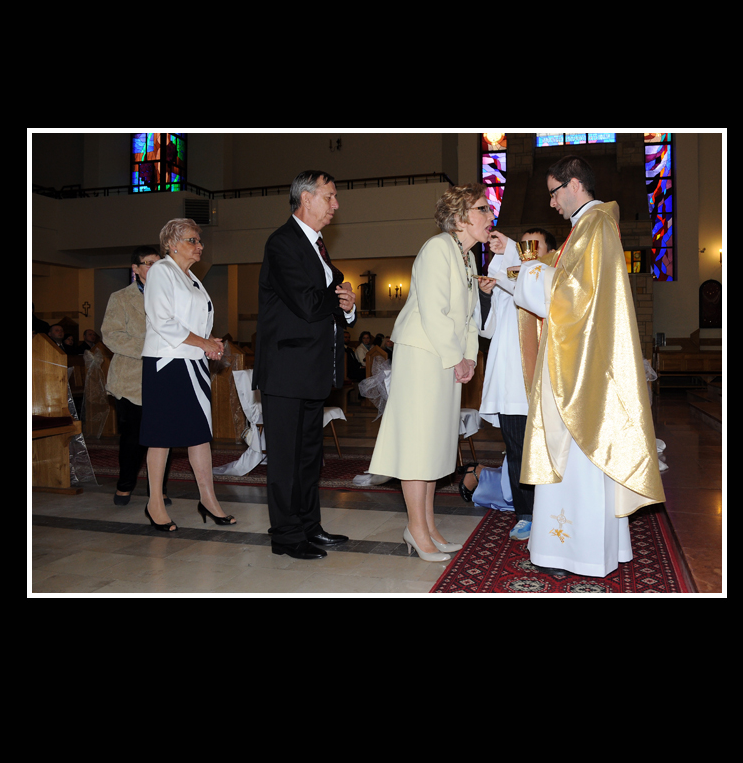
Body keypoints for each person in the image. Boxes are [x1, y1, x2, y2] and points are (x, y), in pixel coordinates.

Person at [513, 156, 665, 577]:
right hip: (581, 362)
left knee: (576, 459)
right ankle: (589, 550)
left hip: (580, 373)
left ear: (575, 184)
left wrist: (530, 273)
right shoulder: (588, 227)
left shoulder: (594, 225)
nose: (552, 203)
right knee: (581, 462)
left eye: (554, 192)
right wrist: (531, 270)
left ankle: (573, 554)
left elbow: (573, 297)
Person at [367, 183, 491, 562]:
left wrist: (468, 357)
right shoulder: (437, 249)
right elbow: (435, 313)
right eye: (483, 209)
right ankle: (416, 529)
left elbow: (468, 319)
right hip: (423, 354)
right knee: (419, 443)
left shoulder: (467, 259)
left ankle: (428, 527)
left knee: (437, 443)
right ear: (460, 218)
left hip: (446, 356)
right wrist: (457, 358)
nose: (490, 216)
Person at [253, 171, 356, 560]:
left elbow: (327, 303)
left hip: (311, 370)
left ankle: (309, 526)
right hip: (286, 370)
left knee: (310, 457)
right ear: (306, 198)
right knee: (285, 459)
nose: (335, 205)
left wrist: (347, 303)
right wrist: (338, 293)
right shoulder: (283, 242)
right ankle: (286, 535)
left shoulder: (317, 245)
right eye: (330, 196)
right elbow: (309, 304)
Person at [139, 218, 235, 532]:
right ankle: (154, 503)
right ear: (172, 244)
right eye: (192, 240)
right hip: (167, 363)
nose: (199, 246)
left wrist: (210, 343)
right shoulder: (161, 271)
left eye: (199, 240)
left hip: (193, 362)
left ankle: (208, 500)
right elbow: (162, 320)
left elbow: (196, 321)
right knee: (161, 436)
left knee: (199, 434)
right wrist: (203, 342)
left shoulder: (192, 277)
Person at [464, 228, 557, 543]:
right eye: (523, 246)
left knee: (549, 450)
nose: (526, 252)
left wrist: (512, 251)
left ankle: (554, 511)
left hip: (542, 382)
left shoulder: (552, 279)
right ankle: (526, 514)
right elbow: (488, 329)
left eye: (533, 247)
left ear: (549, 254)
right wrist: (487, 295)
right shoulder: (508, 283)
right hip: (510, 384)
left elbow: (533, 289)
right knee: (517, 451)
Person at [102, 246, 173, 506]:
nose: (154, 268)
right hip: (131, 379)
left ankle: (159, 490)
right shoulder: (121, 298)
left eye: (158, 263)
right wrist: (150, 348)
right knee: (133, 438)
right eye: (148, 263)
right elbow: (111, 335)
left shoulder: (171, 296)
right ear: (135, 268)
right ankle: (125, 485)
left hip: (165, 376)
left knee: (164, 437)